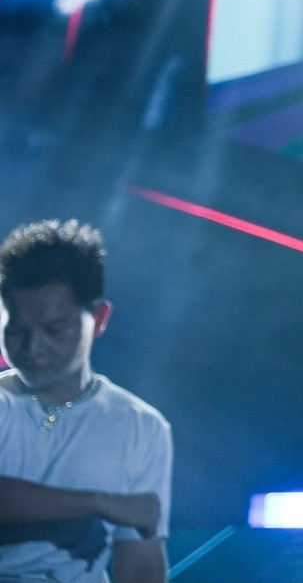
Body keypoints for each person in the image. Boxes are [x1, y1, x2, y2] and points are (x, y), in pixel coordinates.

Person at [0, 220, 171, 583]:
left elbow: (140, 564)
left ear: (99, 319)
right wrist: (99, 503)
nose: (33, 348)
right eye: (16, 331)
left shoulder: (141, 426)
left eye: (54, 330)